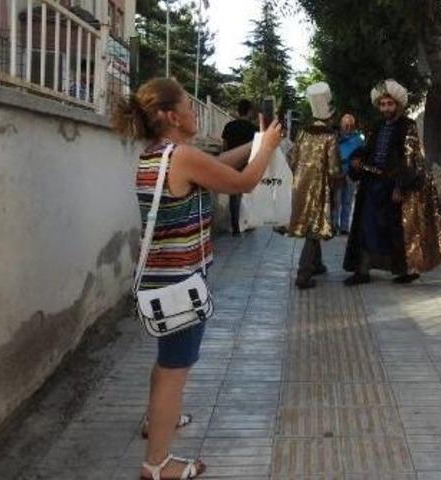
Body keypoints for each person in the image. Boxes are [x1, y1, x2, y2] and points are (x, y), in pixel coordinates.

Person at [112, 78, 282, 480]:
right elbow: (243, 182)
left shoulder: (158, 154)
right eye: (188, 105)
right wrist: (269, 150)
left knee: (166, 362)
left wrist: (258, 143)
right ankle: (158, 464)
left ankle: (156, 422)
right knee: (175, 370)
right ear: (171, 116)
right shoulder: (181, 156)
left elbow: (221, 166)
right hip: (180, 282)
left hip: (162, 276)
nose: (194, 111)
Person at [343, 79, 441, 285]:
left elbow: (410, 159)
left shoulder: (408, 126)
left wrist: (400, 185)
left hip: (392, 186)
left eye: (390, 104)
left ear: (398, 105)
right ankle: (362, 270)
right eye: (383, 104)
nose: (386, 108)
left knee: (398, 231)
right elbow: (367, 150)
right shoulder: (376, 127)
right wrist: (357, 161)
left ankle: (404, 270)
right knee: (365, 228)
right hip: (371, 185)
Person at [287, 82, 340, 290]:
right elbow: (334, 169)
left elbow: (292, 159)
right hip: (319, 188)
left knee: (312, 226)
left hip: (299, 186)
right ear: (329, 116)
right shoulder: (329, 136)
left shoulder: (302, 133)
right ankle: (304, 273)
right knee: (314, 228)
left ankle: (317, 265)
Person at [221, 99, 259, 236]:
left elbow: (224, 146)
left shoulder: (229, 126)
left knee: (233, 196)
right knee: (246, 196)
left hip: (231, 165)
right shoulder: (254, 129)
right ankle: (246, 224)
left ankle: (235, 226)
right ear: (249, 111)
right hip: (247, 165)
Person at [334, 114, 364, 234]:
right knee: (336, 200)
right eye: (346, 125)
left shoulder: (358, 139)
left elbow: (363, 154)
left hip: (351, 173)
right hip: (338, 172)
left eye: (350, 125)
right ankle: (334, 225)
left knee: (348, 200)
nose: (348, 127)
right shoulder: (335, 138)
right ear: (341, 125)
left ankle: (344, 227)